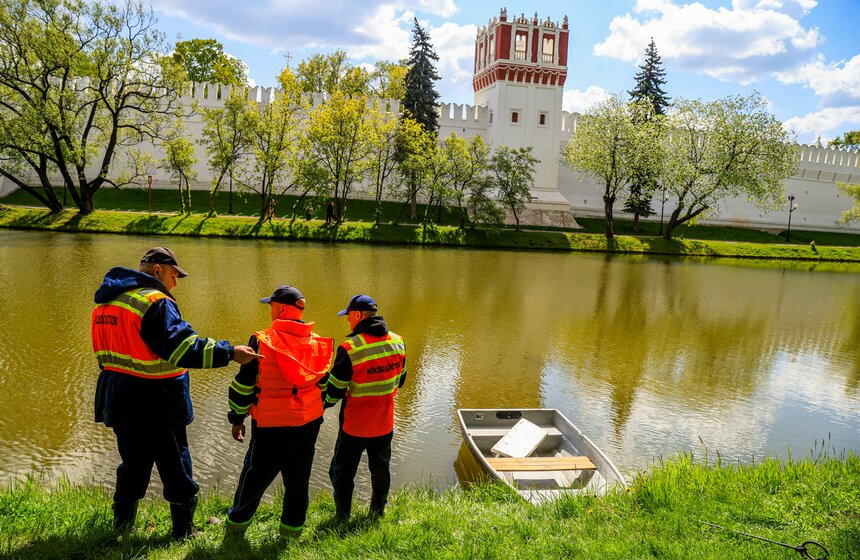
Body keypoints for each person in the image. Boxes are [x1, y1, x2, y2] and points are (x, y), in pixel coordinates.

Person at [91, 247, 262, 539]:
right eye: (174, 275)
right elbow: (183, 347)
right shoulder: (155, 302)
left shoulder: (106, 304)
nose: (175, 283)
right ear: (158, 270)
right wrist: (230, 352)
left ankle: (121, 530)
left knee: (133, 464)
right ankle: (184, 531)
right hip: (157, 401)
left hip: (119, 398)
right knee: (176, 467)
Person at [225, 285, 334, 539]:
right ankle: (291, 532)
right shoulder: (316, 342)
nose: (269, 309)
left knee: (255, 478)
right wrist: (314, 411)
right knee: (298, 480)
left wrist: (237, 418)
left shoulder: (263, 340)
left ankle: (236, 527)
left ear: (282, 308)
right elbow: (324, 387)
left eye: (271, 305)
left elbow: (244, 384)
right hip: (308, 423)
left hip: (272, 425)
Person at [322, 294, 406, 520]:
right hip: (384, 424)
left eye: (348, 316)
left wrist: (317, 404)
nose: (348, 321)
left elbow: (334, 392)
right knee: (380, 471)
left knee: (341, 472)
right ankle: (377, 512)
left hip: (354, 427)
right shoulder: (398, 342)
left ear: (357, 315)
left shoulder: (351, 348)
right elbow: (401, 380)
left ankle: (342, 516)